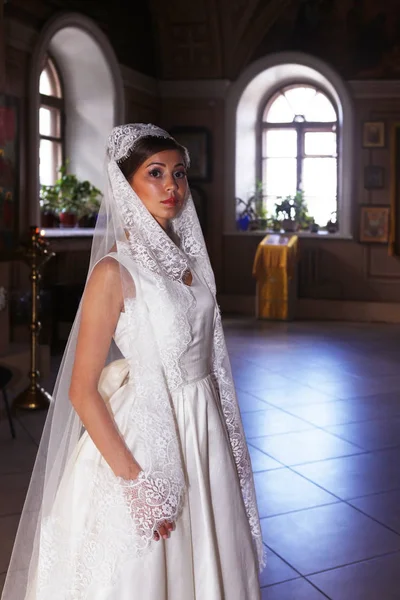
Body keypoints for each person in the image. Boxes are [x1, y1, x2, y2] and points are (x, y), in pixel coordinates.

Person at [2, 124, 265, 600]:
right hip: (147, 435)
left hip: (202, 430)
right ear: (126, 184)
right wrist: (137, 483)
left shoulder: (185, 262)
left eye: (179, 174)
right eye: (156, 173)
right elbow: (81, 390)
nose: (172, 187)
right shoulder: (113, 272)